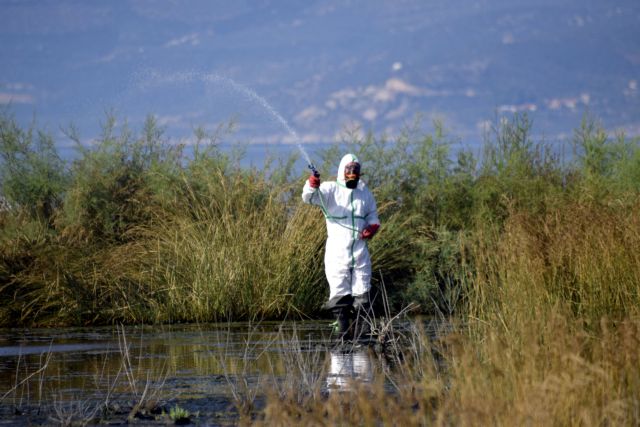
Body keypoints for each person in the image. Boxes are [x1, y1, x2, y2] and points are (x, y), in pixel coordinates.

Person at [302, 153, 380, 340]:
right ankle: (341, 337)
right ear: (341, 171)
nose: (352, 173)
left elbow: (372, 214)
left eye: (356, 170)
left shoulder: (364, 192)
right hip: (337, 253)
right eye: (349, 170)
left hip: (360, 252)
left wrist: (373, 225)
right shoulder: (330, 189)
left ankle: (363, 338)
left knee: (363, 295)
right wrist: (311, 184)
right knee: (339, 296)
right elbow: (309, 198)